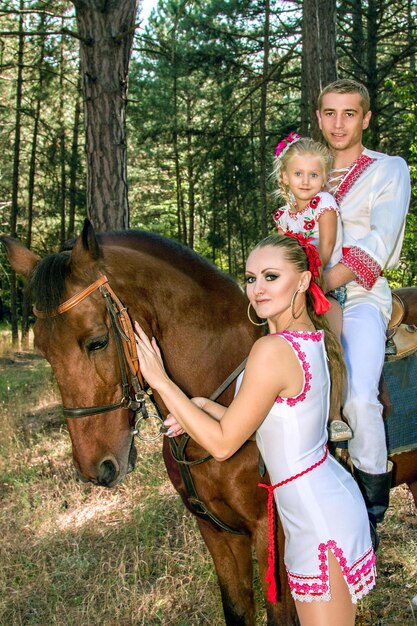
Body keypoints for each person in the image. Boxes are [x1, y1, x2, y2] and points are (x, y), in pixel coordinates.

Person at [134, 234, 376, 626]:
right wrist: (203, 405)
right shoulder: (302, 337)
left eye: (270, 276)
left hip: (318, 519)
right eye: (250, 278)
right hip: (318, 505)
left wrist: (161, 381)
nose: (257, 289)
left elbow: (224, 444)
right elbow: (269, 423)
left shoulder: (272, 350)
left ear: (301, 281)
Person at [316, 78, 411, 547]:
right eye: (329, 113)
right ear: (318, 118)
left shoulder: (388, 168)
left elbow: (382, 240)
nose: (338, 123)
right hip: (300, 298)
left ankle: (371, 512)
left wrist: (325, 281)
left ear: (365, 119)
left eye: (349, 113)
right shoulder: (306, 171)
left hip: (359, 297)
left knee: (357, 397)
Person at [272, 132, 352, 442]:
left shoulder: (324, 205)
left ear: (324, 177)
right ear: (285, 176)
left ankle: (334, 415)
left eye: (314, 174)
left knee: (329, 343)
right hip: (294, 290)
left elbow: (327, 250)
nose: (306, 181)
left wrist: (302, 283)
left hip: (324, 286)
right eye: (298, 173)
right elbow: (280, 255)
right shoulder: (284, 215)